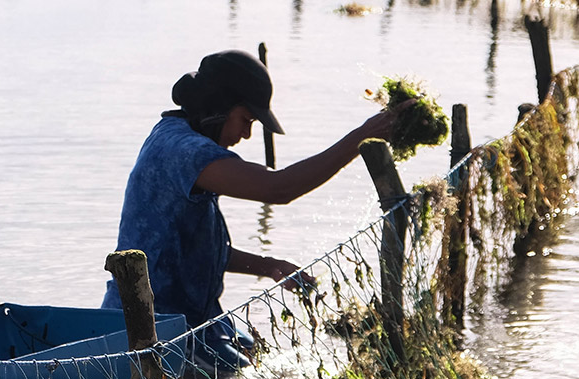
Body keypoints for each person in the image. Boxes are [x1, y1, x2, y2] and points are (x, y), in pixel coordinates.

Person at [103, 49, 396, 356]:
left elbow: (189, 251)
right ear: (218, 108)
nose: (246, 133)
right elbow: (279, 189)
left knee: (251, 355)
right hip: (150, 330)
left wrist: (270, 266)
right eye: (246, 119)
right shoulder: (183, 151)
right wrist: (361, 138)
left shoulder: (176, 135)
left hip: (195, 322)